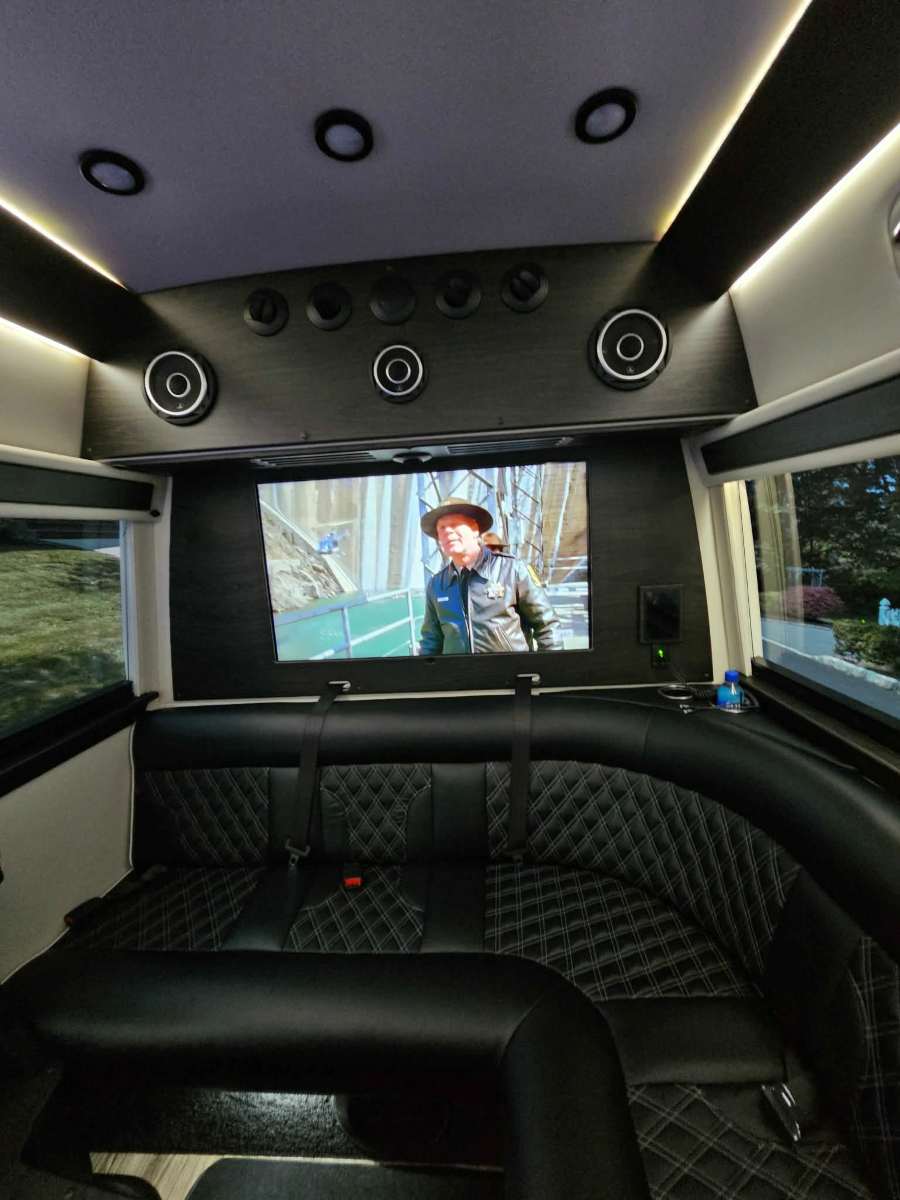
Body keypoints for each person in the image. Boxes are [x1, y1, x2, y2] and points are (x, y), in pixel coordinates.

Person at [418, 496, 561, 655]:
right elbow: (431, 640)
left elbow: (547, 625)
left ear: (475, 529)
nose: (448, 532)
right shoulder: (437, 584)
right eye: (442, 528)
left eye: (455, 524)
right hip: (459, 671)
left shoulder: (512, 569)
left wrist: (548, 667)